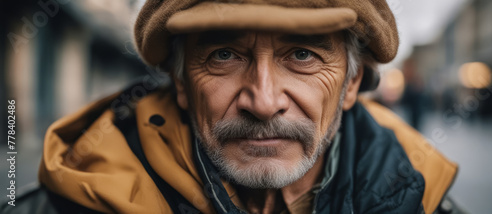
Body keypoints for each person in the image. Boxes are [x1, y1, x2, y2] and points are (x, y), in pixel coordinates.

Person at [2, 0, 463, 213]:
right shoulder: (63, 207)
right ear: (181, 83)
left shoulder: (420, 201)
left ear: (351, 83)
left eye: (302, 55)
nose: (263, 102)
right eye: (223, 55)